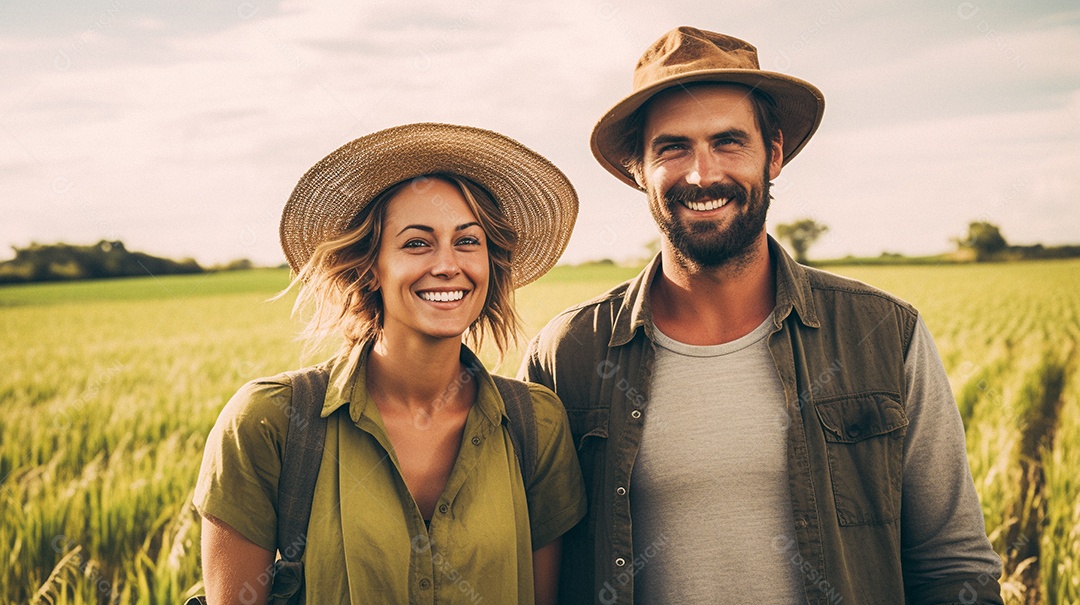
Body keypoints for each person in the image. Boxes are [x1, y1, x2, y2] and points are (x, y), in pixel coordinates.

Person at [520, 27, 1004, 604]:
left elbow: (953, 568)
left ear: (773, 153)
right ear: (638, 170)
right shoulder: (569, 353)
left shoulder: (883, 334)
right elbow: (530, 567)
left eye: (729, 142)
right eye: (672, 148)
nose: (702, 175)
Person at [194, 123, 586, 604]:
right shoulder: (270, 423)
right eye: (417, 243)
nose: (447, 264)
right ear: (369, 267)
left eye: (468, 241)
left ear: (490, 264)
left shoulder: (536, 424)